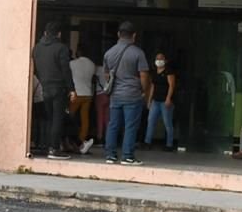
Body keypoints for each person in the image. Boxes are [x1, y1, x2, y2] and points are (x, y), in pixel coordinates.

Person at [103, 21, 150, 165]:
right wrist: (143, 90)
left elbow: (106, 75)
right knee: (130, 126)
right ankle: (127, 156)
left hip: (115, 95)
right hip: (132, 95)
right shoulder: (138, 53)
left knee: (113, 125)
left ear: (118, 35)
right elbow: (143, 75)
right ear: (134, 36)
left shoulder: (109, 52)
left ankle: (110, 155)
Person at [32, 22, 75, 160]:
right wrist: (71, 89)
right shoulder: (61, 48)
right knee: (58, 119)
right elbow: (66, 71)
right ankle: (54, 149)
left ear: (45, 33)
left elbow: (36, 68)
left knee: (50, 119)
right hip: (58, 88)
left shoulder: (36, 48)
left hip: (45, 87)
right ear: (59, 34)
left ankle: (48, 146)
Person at [145, 52, 177, 151]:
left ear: (165, 60)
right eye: (157, 58)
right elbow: (152, 87)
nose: (159, 61)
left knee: (167, 123)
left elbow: (171, 86)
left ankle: (169, 144)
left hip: (165, 101)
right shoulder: (154, 72)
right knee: (151, 121)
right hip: (155, 100)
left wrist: (168, 98)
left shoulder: (169, 72)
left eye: (161, 58)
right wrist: (149, 100)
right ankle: (147, 142)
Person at [69, 48, 97, 155]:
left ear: (78, 53)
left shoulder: (72, 63)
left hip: (76, 94)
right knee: (85, 118)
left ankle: (73, 140)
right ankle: (82, 139)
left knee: (70, 117)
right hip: (88, 94)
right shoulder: (92, 64)